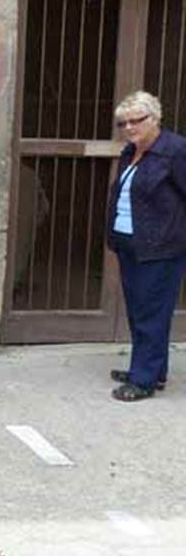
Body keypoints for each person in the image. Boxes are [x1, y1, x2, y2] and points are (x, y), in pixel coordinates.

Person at [106, 91, 186, 402]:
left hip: (161, 248)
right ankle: (151, 370)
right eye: (123, 123)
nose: (129, 128)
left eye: (135, 121)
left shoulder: (175, 151)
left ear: (155, 119)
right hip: (131, 243)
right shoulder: (131, 151)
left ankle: (143, 380)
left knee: (152, 314)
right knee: (139, 311)